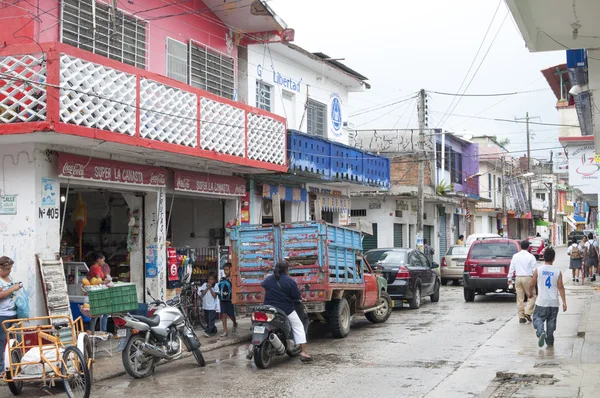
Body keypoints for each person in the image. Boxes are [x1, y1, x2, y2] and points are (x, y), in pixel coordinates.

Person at [262, 261, 312, 362]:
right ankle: (304, 352)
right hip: (285, 310)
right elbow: (296, 297)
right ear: (286, 270)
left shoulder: (268, 280)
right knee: (298, 326)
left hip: (268, 309)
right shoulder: (290, 282)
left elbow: (263, 289)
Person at [529, 248, 566, 347]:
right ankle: (549, 343)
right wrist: (564, 302)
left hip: (542, 301)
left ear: (543, 257)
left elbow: (532, 283)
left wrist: (530, 293)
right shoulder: (558, 272)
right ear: (554, 259)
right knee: (551, 324)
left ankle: (541, 332)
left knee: (537, 318)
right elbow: (560, 287)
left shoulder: (539, 270)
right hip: (554, 303)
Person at [0, 256, 22, 375]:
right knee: (2, 341)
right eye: (8, 269)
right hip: (2, 314)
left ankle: (18, 365)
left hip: (13, 313)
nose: (10, 271)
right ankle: (1, 369)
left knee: (17, 340)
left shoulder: (8, 278)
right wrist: (12, 289)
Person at [507, 240, 537, 323]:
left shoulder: (515, 256)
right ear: (528, 247)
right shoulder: (531, 256)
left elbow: (511, 268)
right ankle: (528, 312)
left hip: (518, 278)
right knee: (532, 296)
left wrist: (509, 278)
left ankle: (521, 316)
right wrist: (536, 279)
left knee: (520, 298)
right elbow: (534, 270)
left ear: (520, 247)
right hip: (528, 278)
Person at [88, 252, 109, 333]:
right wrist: (106, 281)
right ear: (98, 259)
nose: (103, 262)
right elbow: (98, 280)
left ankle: (92, 331)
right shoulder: (96, 268)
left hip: (97, 291)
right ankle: (99, 331)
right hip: (98, 292)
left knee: (99, 313)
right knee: (99, 313)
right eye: (102, 260)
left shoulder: (95, 267)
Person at [218, 263, 238, 337]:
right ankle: (225, 331)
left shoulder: (233, 279)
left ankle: (235, 323)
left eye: (227, 270)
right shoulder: (222, 279)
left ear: (230, 270)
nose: (225, 272)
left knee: (231, 314)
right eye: (224, 270)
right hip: (223, 299)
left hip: (230, 299)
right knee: (223, 315)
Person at [199, 273, 219, 337]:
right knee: (207, 320)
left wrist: (210, 288)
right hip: (205, 306)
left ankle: (208, 332)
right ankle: (214, 329)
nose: (210, 281)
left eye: (212, 279)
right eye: (209, 279)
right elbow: (202, 294)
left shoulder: (216, 286)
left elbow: (214, 295)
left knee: (211, 319)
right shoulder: (204, 285)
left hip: (212, 306)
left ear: (214, 280)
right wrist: (207, 288)